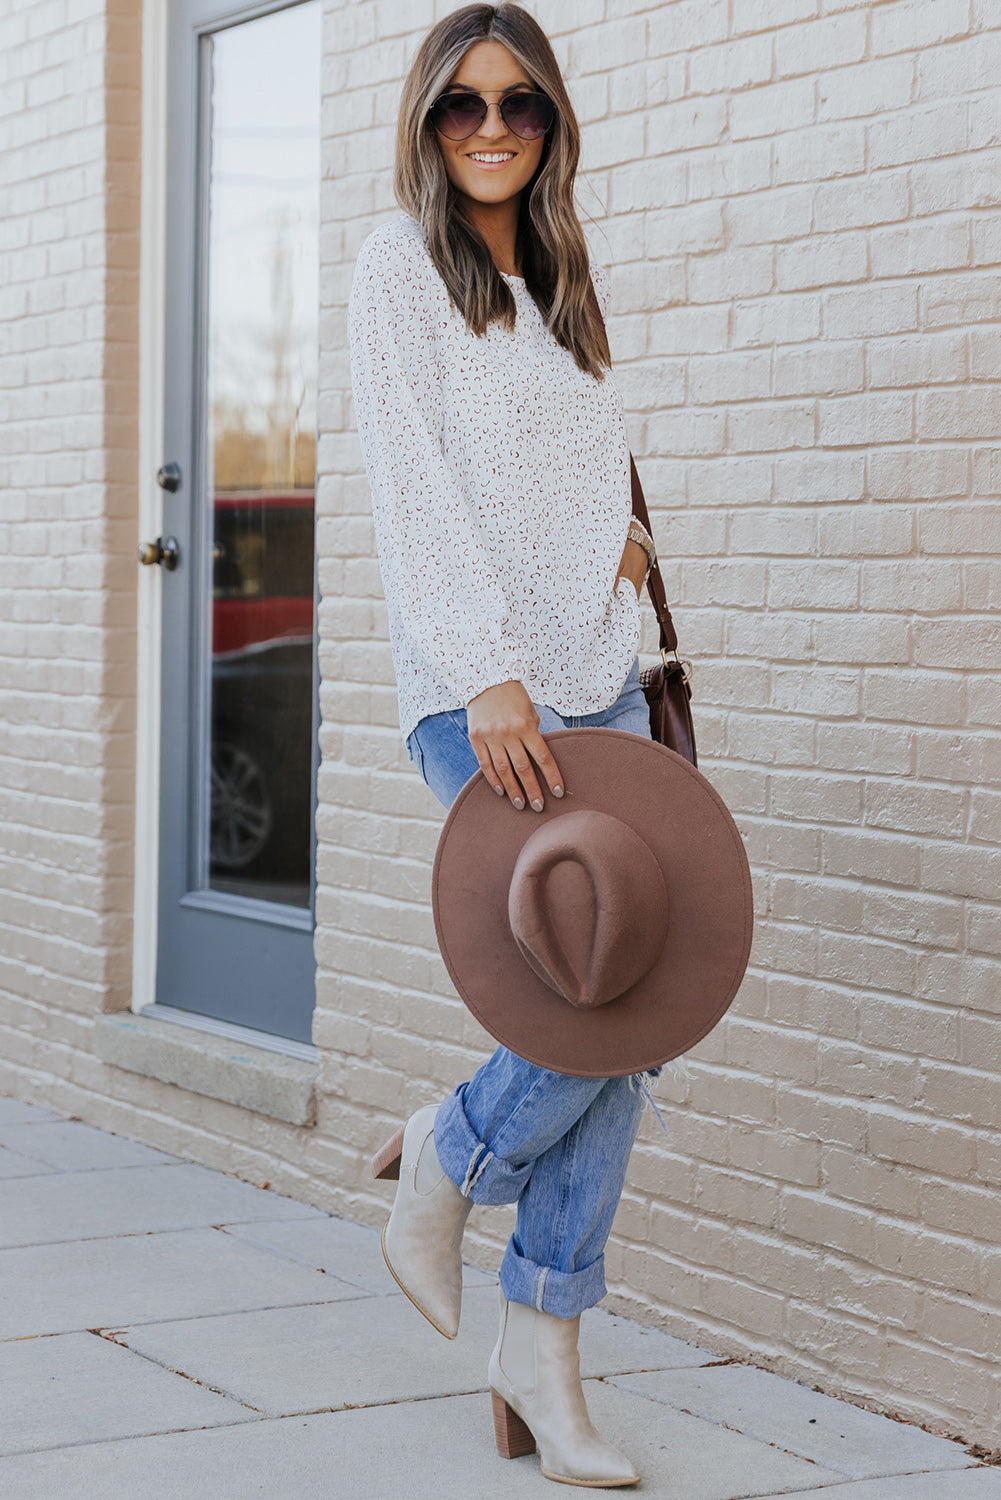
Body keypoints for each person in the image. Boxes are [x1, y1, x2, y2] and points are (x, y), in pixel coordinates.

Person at [349, 4, 661, 1487]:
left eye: (519, 104)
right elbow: (417, 486)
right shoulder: (398, 267)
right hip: (484, 697)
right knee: (586, 1008)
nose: (489, 127)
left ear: (551, 122)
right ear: (425, 122)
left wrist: (620, 552)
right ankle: (453, 1165)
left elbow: (563, 470)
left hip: (596, 685)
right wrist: (485, 672)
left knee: (634, 1013)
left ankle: (537, 1344)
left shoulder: (566, 279)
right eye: (461, 105)